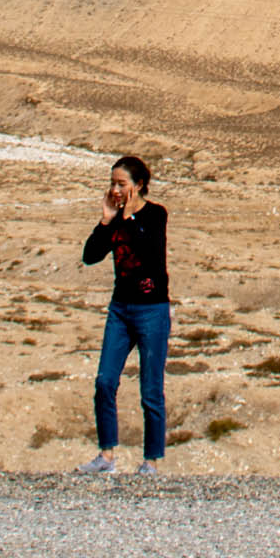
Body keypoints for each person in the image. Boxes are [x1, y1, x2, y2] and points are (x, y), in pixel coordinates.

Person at [79, 155, 170, 475]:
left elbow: (148, 249)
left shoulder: (156, 214)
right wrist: (106, 221)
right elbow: (90, 256)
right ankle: (106, 455)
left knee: (150, 389)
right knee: (105, 380)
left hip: (152, 311)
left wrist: (129, 217)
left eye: (122, 184)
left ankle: (151, 460)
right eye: (112, 184)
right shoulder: (114, 219)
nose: (116, 190)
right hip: (120, 310)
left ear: (139, 185)